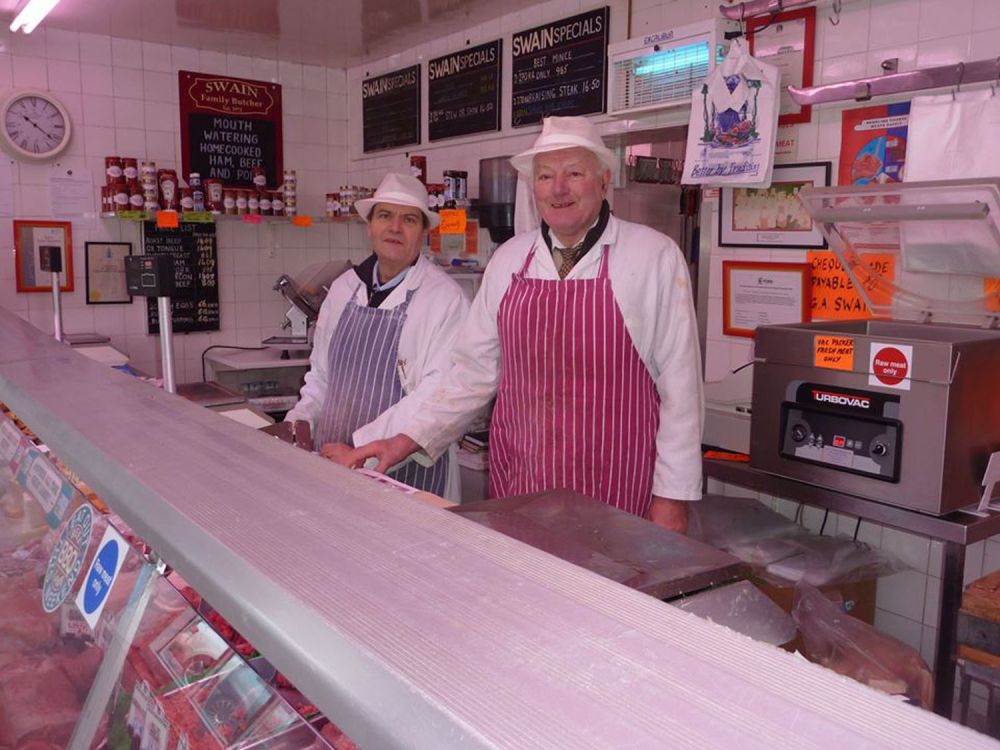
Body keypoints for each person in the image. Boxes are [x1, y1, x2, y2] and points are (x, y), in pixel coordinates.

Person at [348, 117, 703, 532]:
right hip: (522, 487)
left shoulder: (653, 256)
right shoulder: (509, 261)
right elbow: (470, 377)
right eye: (546, 176)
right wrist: (402, 440)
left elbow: (680, 390)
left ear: (604, 180)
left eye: (574, 173)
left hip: (621, 494)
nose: (559, 189)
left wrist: (673, 498)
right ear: (533, 189)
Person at [277, 172, 470, 501]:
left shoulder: (445, 299)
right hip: (332, 461)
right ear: (369, 226)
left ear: (424, 232)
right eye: (385, 216)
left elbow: (433, 396)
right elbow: (322, 376)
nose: (395, 227)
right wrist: (299, 423)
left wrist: (358, 448)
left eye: (409, 219)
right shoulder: (343, 289)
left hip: (405, 473)